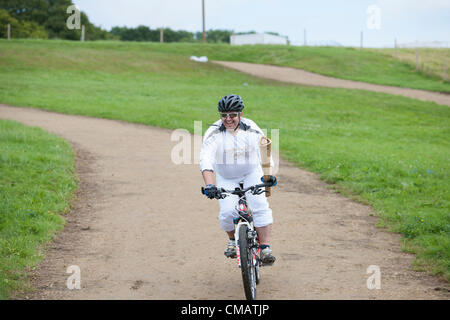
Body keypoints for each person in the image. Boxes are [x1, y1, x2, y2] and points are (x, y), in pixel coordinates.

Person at [200, 94, 277, 265]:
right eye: (224, 115)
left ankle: (265, 248)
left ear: (240, 114)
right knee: (227, 212)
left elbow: (264, 151)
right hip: (227, 177)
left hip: (251, 173)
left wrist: (268, 175)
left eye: (232, 115)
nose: (228, 119)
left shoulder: (251, 128)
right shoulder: (213, 132)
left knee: (259, 206)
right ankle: (232, 240)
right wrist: (210, 185)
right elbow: (205, 159)